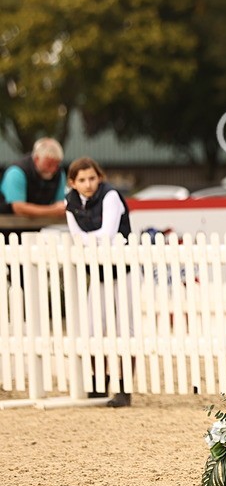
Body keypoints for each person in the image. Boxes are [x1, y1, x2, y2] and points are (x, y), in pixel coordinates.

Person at [64, 157, 134, 407]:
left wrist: (87, 239)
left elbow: (108, 233)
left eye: (92, 178)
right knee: (94, 327)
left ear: (99, 177)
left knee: (126, 329)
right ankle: (98, 381)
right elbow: (75, 236)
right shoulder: (70, 202)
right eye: (82, 180)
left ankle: (125, 388)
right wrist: (88, 240)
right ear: (72, 182)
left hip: (123, 269)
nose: (88, 184)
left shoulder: (111, 196)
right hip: (99, 271)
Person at [0, 137, 67, 221]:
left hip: (41, 225)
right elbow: (18, 208)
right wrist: (52, 210)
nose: (53, 169)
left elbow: (59, 204)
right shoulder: (16, 172)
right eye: (49, 164)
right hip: (8, 226)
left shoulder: (59, 173)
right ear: (36, 159)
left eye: (56, 165)